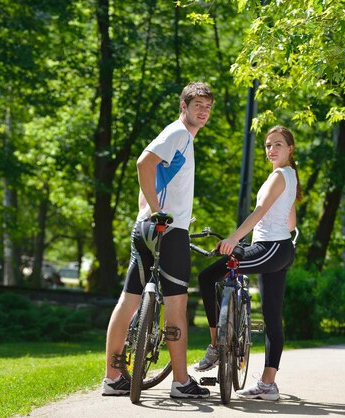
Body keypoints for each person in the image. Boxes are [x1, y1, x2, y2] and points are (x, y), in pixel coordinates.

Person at [102, 82, 214, 398]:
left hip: (145, 229)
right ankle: (181, 382)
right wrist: (158, 210)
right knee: (177, 305)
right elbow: (143, 162)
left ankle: (113, 378)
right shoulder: (178, 133)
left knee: (129, 299)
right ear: (184, 107)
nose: (203, 112)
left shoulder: (181, 139)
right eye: (197, 106)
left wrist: (148, 209)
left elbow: (151, 174)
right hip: (169, 230)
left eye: (207, 108)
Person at [195, 125, 302, 401]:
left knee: (207, 277)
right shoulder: (289, 176)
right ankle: (268, 385)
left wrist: (232, 239)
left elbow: (260, 211)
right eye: (268, 145)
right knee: (271, 316)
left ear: (290, 149)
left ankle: (215, 346)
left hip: (270, 248)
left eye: (278, 144)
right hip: (278, 249)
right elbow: (291, 222)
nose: (271, 150)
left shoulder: (279, 176)